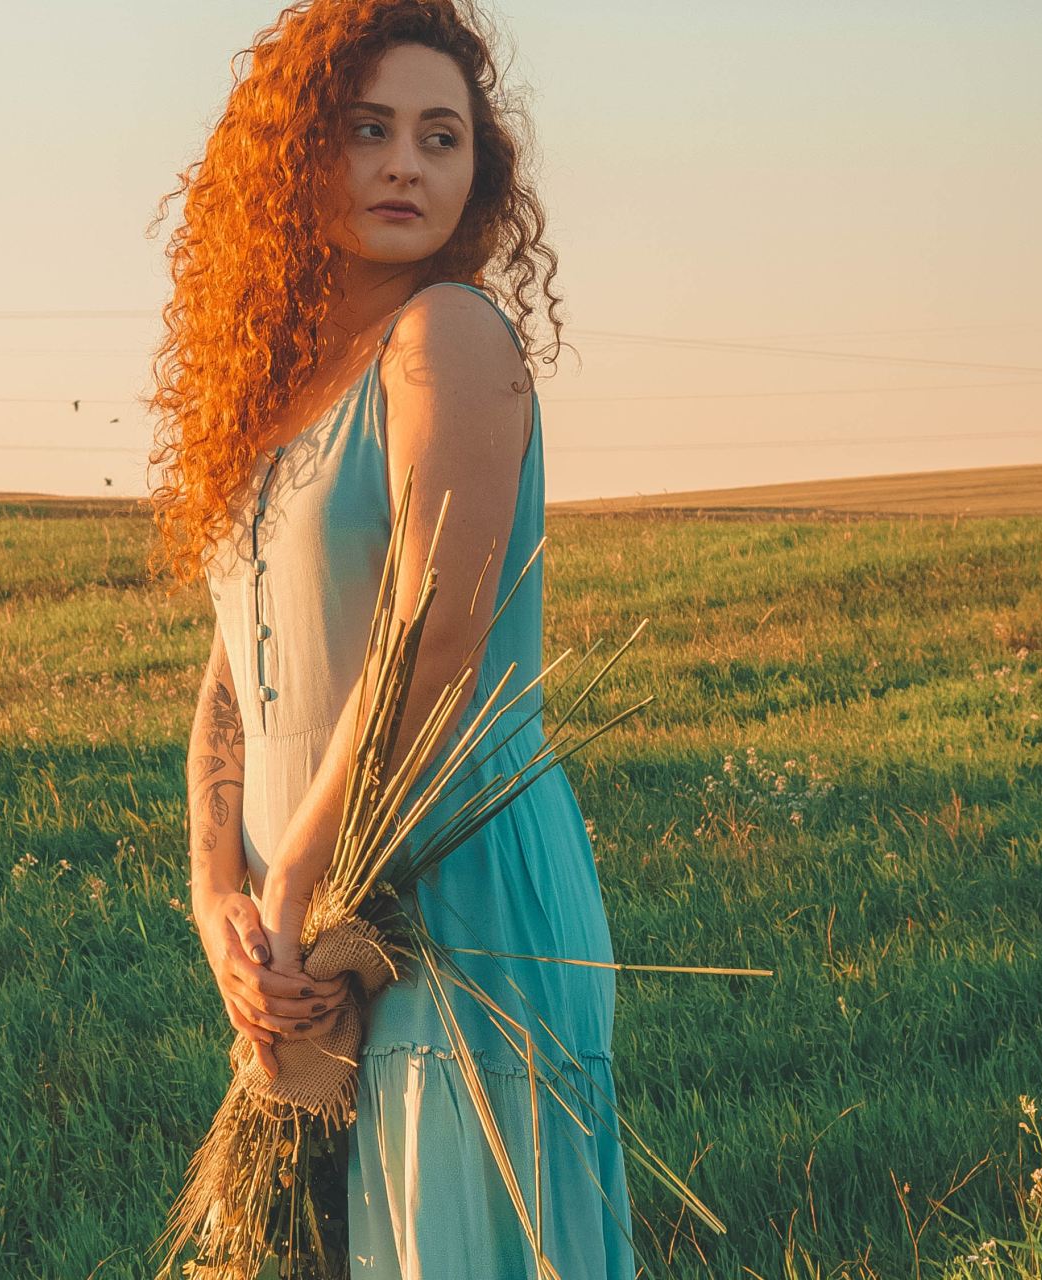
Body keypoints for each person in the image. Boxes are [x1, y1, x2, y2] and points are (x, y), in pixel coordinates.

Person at [146, 2, 637, 1274]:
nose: (407, 163)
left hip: (458, 901)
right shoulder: (275, 392)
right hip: (303, 921)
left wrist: (301, 884)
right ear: (300, 155)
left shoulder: (450, 337)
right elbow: (227, 684)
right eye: (369, 131)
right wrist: (221, 900)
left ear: (480, 174)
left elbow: (439, 637)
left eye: (441, 136)